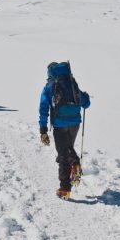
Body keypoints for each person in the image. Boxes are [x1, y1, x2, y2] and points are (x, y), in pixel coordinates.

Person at [39, 61, 90, 200]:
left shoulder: (50, 86)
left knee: (63, 154)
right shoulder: (71, 82)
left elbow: (43, 108)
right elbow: (86, 103)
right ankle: (66, 186)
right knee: (67, 150)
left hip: (60, 124)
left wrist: (43, 130)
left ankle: (71, 173)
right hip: (75, 122)